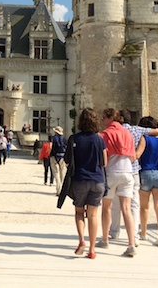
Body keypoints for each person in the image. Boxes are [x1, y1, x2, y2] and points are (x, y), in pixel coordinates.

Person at [108, 111, 158, 241]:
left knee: (115, 204)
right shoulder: (137, 130)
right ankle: (135, 234)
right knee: (134, 204)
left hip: (117, 168)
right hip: (133, 170)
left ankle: (114, 232)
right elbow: (157, 131)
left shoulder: (113, 131)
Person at [66, 108, 106, 259]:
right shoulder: (99, 139)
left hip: (80, 179)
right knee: (93, 215)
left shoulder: (74, 138)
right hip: (97, 180)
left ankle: (82, 240)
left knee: (79, 212)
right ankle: (93, 249)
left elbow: (68, 161)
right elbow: (105, 162)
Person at [98, 108, 137, 257]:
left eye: (103, 118)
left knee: (106, 208)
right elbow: (133, 156)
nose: (102, 121)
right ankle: (131, 244)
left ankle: (105, 239)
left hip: (111, 172)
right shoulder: (127, 133)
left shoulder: (105, 134)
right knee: (127, 209)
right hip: (128, 172)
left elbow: (103, 156)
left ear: (109, 118)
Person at [135, 116, 158, 247]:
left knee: (144, 207)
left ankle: (143, 233)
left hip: (146, 172)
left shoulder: (144, 138)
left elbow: (138, 154)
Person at [49, 126, 67, 196]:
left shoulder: (53, 138)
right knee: (62, 174)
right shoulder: (64, 139)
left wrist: (49, 154)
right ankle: (62, 190)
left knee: (56, 174)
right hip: (62, 157)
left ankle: (58, 190)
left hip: (54, 156)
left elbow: (50, 147)